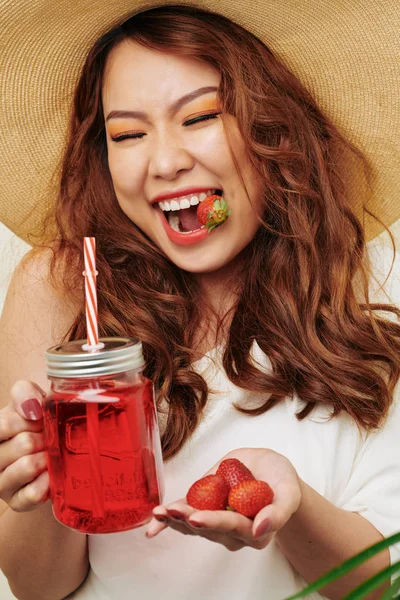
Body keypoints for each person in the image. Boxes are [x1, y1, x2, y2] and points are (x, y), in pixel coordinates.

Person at [0, 2, 400, 600]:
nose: (163, 162)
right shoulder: (58, 288)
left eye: (200, 116)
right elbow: (39, 588)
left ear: (274, 126)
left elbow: (381, 587)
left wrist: (292, 506)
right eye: (128, 134)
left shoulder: (361, 296)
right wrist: (37, 488)